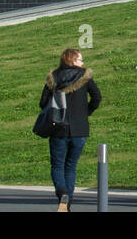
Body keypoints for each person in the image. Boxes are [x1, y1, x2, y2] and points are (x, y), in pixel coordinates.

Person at [40, 48, 101, 212]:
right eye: (81, 60)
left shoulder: (54, 77)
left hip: (58, 128)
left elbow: (43, 102)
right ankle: (67, 203)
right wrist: (85, 113)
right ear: (72, 61)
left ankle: (62, 194)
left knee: (57, 165)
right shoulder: (85, 76)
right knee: (71, 166)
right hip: (79, 129)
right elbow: (97, 98)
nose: (83, 63)